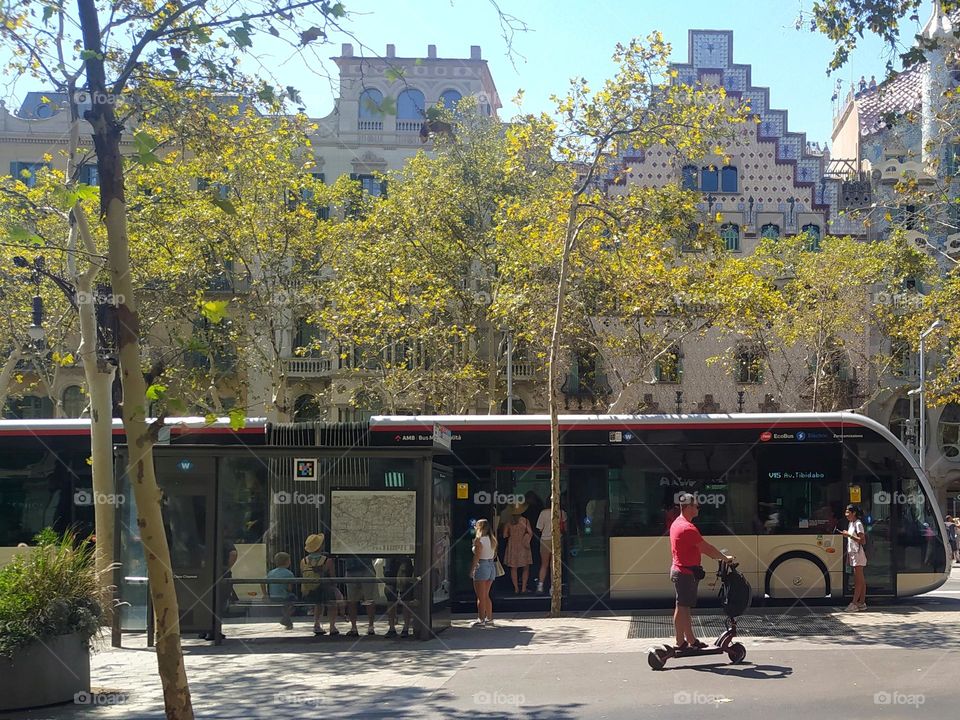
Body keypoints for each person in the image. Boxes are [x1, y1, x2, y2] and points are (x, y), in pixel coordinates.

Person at [669, 492, 734, 650]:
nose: (698, 508)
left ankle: (687, 640)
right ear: (688, 507)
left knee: (682, 606)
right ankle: (683, 641)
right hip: (685, 573)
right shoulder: (687, 528)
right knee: (683, 607)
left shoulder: (677, 523)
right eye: (696, 505)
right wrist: (725, 558)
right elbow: (707, 549)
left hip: (681, 570)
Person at [301, 533, 339, 636]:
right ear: (320, 546)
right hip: (326, 587)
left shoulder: (304, 561)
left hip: (310, 589)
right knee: (332, 605)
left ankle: (317, 624)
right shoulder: (327, 560)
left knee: (318, 605)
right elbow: (332, 577)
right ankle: (332, 626)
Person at [839, 504, 867, 612]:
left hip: (858, 554)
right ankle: (861, 603)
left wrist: (849, 535)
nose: (846, 514)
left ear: (853, 513)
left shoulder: (858, 524)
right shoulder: (851, 523)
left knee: (858, 581)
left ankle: (854, 603)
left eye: (848, 512)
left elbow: (862, 540)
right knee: (861, 580)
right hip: (853, 554)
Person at [469, 518, 497, 627]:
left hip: (482, 566)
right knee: (486, 595)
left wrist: (472, 570)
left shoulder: (478, 540)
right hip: (491, 566)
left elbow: (477, 556)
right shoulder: (492, 539)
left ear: (479, 528)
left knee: (480, 596)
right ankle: (489, 618)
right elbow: (494, 555)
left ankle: (481, 619)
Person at [535, 500, 566, 594]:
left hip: (545, 540)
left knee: (544, 564)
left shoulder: (543, 513)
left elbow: (540, 528)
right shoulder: (562, 512)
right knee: (554, 565)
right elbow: (565, 527)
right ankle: (553, 587)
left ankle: (540, 586)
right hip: (557, 540)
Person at [502, 502, 533, 593]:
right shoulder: (525, 520)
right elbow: (530, 532)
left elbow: (504, 535)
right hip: (523, 545)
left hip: (512, 545)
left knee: (513, 568)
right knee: (525, 568)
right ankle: (523, 588)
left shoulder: (509, 522)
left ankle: (516, 588)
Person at [344, 556, 377, 636]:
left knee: (369, 599)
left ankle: (371, 626)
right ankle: (353, 627)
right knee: (351, 601)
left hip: (366, 567)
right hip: (350, 568)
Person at [263, 551, 297, 630]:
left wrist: (265, 594)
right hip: (284, 597)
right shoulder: (289, 574)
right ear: (287, 562)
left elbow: (262, 582)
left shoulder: (271, 572)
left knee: (285, 605)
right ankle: (285, 618)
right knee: (293, 600)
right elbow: (289, 588)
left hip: (273, 597)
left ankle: (287, 621)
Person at [384, 556, 414, 638]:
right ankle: (391, 628)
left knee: (406, 597)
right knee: (390, 597)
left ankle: (406, 628)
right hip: (390, 564)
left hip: (405, 560)